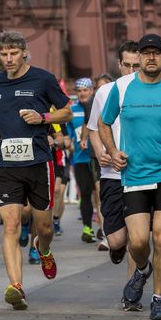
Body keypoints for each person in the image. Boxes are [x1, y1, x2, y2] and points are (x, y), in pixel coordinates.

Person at [99, 33, 161, 320]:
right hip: (135, 174)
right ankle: (142, 270)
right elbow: (105, 122)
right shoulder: (122, 87)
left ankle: (158, 298)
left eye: (156, 53)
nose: (151, 57)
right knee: (139, 242)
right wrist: (113, 150)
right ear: (138, 57)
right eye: (146, 53)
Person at [0, 30, 72, 311]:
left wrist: (43, 117)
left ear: (24, 52)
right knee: (10, 225)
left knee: (44, 226)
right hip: (8, 165)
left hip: (38, 163)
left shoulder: (43, 79)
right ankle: (17, 286)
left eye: (13, 53)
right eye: (3, 54)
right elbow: (0, 112)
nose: (8, 59)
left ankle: (44, 249)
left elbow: (67, 111)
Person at [87, 41, 142, 310]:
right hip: (111, 174)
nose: (132, 70)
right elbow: (94, 128)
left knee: (138, 235)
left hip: (141, 175)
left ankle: (132, 291)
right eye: (127, 65)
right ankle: (115, 247)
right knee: (119, 239)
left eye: (137, 65)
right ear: (119, 65)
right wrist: (100, 151)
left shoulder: (149, 91)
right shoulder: (105, 92)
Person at [67, 78, 97, 243]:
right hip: (80, 159)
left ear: (92, 90)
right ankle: (87, 228)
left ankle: (107, 229)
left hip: (99, 158)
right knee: (85, 193)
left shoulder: (97, 108)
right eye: (79, 91)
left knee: (100, 195)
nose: (82, 93)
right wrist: (70, 143)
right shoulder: (73, 111)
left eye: (85, 90)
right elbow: (70, 135)